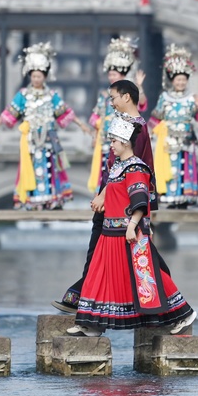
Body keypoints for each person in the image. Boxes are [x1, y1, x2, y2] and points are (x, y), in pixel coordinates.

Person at [68, 115, 196, 337]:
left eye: (114, 142)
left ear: (125, 142)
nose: (111, 145)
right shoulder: (118, 167)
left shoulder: (136, 167)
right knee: (100, 275)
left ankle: (183, 313)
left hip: (128, 233)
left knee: (149, 277)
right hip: (109, 231)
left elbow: (140, 200)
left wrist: (132, 226)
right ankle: (93, 323)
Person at [56, 79, 154, 314]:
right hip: (114, 198)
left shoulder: (136, 129)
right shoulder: (126, 123)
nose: (111, 102)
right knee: (104, 254)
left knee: (141, 259)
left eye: (113, 98)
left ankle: (82, 299)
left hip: (122, 205)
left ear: (126, 97)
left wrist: (103, 195)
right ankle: (82, 299)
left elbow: (129, 168)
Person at [0, 42, 93, 209]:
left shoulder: (51, 95)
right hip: (30, 140)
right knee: (32, 169)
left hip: (49, 138)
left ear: (45, 76)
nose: (36, 79)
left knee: (50, 168)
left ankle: (52, 199)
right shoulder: (23, 95)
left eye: (39, 76)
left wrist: (81, 125)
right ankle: (31, 200)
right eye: (33, 76)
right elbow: (9, 112)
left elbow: (65, 112)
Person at [87, 37, 147, 195]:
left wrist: (139, 87)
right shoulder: (104, 96)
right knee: (105, 169)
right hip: (106, 139)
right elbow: (96, 118)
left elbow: (141, 104)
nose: (111, 78)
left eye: (115, 74)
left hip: (123, 139)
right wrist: (94, 135)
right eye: (110, 75)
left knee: (120, 169)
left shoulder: (128, 95)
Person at [151, 44, 198, 208]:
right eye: (178, 79)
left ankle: (184, 198)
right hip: (169, 140)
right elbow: (156, 118)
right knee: (170, 169)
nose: (181, 82)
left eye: (183, 79)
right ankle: (170, 198)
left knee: (184, 169)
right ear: (172, 80)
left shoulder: (192, 98)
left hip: (186, 140)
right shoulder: (165, 98)